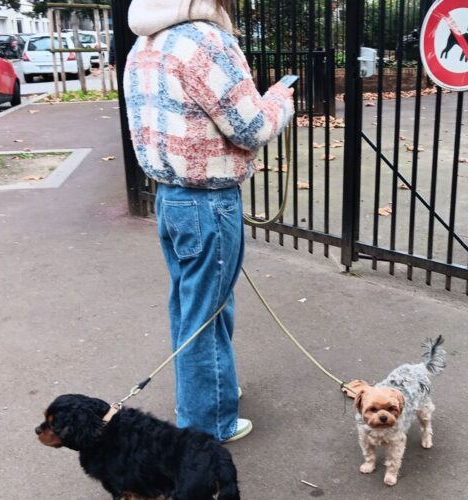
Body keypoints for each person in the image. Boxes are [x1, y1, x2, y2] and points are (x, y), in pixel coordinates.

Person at [124, 0, 294, 443]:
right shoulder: (205, 41)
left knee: (192, 306)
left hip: (170, 197)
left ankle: (210, 393)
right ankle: (206, 425)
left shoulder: (142, 44)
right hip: (209, 201)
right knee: (205, 312)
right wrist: (279, 99)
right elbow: (251, 126)